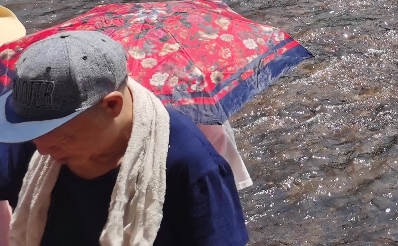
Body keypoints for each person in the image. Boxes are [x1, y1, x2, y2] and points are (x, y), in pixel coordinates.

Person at [0, 31, 249, 246]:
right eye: (31, 135)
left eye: (61, 136)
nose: (41, 150)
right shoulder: (27, 139)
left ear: (111, 106)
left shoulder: (189, 165)